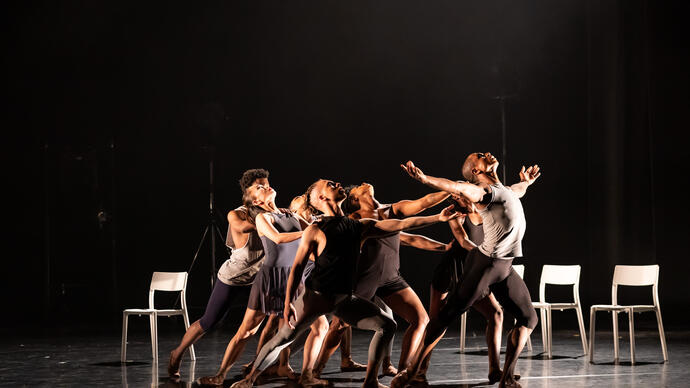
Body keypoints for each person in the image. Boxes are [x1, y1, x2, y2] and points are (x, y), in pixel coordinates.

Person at [231, 179, 459, 388]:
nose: (338, 183)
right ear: (322, 198)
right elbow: (298, 268)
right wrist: (289, 301)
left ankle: (370, 382)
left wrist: (437, 218)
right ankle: (250, 379)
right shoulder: (316, 228)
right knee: (283, 338)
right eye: (331, 185)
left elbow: (402, 224)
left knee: (387, 325)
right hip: (315, 298)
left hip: (344, 299)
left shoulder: (359, 226)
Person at [392, 154, 540, 388]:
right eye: (479, 157)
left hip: (504, 266)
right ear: (475, 171)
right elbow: (455, 186)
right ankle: (412, 372)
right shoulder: (481, 191)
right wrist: (424, 178)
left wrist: (527, 182)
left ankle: (506, 377)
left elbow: (517, 190)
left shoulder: (504, 190)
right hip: (485, 264)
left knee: (529, 318)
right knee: (445, 316)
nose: (486, 154)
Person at [313, 183, 452, 376]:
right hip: (363, 279)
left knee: (421, 320)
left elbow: (420, 214)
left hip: (391, 279)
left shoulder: (393, 210)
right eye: (359, 187)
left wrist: (452, 190)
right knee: (339, 325)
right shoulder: (355, 221)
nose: (364, 183)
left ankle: (403, 371)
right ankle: (316, 370)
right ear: (354, 199)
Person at [198, 183, 330, 386]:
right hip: (271, 279)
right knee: (247, 331)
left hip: (294, 278)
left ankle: (306, 376)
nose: (265, 186)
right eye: (259, 188)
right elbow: (278, 239)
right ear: (258, 201)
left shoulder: (290, 215)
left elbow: (318, 232)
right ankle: (220, 376)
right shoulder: (262, 218)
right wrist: (309, 232)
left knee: (319, 326)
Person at [169, 169, 273, 378]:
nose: (265, 189)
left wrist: (273, 209)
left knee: (264, 322)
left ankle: (256, 364)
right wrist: (269, 212)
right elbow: (245, 228)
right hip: (234, 278)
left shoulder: (271, 212)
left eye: (267, 185)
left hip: (258, 278)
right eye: (259, 186)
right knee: (209, 321)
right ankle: (177, 354)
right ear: (248, 192)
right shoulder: (237, 213)